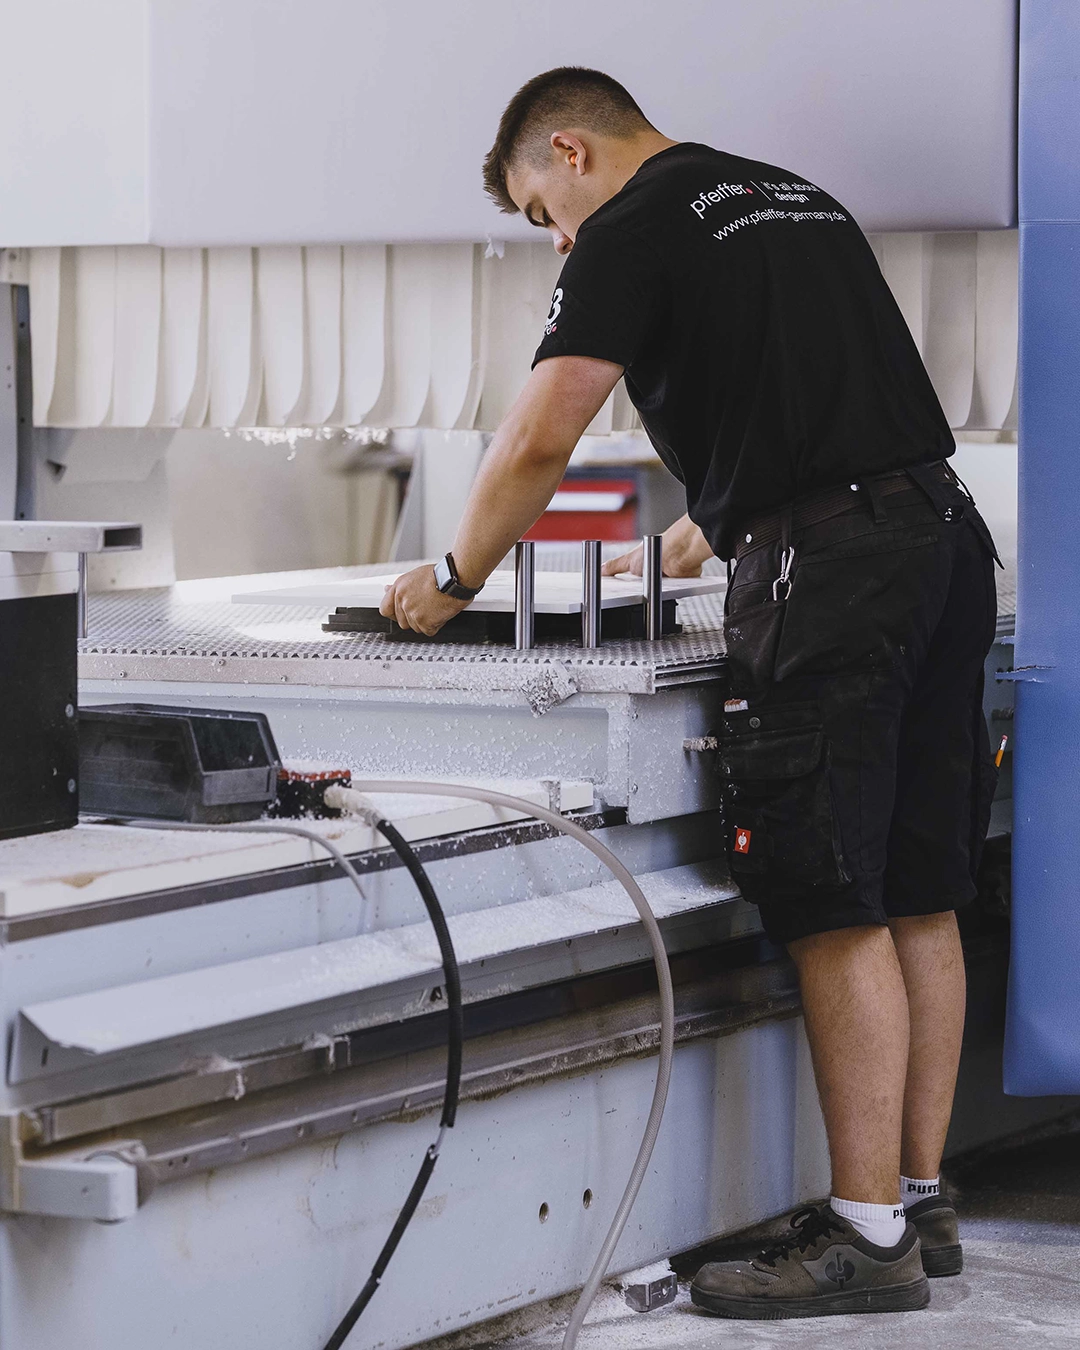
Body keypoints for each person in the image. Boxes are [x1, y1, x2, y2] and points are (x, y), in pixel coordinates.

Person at [381, 66, 999, 1319]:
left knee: (831, 894)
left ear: (569, 149)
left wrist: (453, 578)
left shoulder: (631, 223)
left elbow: (546, 431)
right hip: (938, 538)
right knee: (923, 884)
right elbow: (821, 407)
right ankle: (920, 1200)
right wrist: (688, 541)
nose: (557, 238)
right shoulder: (788, 197)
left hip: (834, 580)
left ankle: (863, 1236)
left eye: (542, 210)